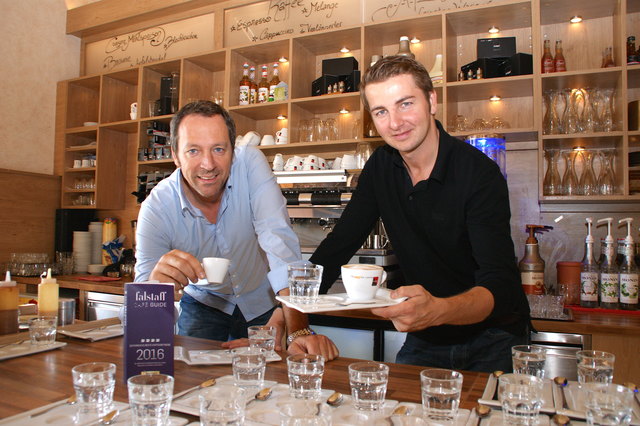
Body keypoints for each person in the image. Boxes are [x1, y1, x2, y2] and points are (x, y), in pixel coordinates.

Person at [309, 56, 529, 372]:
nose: (395, 122)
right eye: (381, 111)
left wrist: (438, 309)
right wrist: (291, 308)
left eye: (405, 104)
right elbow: (338, 245)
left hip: (493, 338)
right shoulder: (380, 168)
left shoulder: (478, 173)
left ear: (431, 101)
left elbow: (500, 283)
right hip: (427, 337)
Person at [135, 100, 338, 360]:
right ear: (175, 155)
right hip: (203, 304)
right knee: (193, 377)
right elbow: (140, 326)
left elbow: (278, 240)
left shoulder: (250, 162)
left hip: (261, 300)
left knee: (271, 380)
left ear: (233, 150)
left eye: (219, 149)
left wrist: (297, 331)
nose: (208, 164)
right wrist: (154, 289)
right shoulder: (157, 208)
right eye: (193, 151)